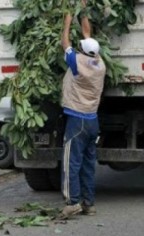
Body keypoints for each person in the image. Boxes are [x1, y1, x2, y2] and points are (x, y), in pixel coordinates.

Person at [60, 1, 106, 218]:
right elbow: (87, 34)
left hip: (77, 122)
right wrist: (83, 11)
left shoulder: (77, 63)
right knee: (88, 163)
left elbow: (64, 42)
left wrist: (68, 18)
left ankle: (73, 202)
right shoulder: (99, 64)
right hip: (92, 121)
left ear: (83, 51)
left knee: (71, 162)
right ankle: (89, 203)